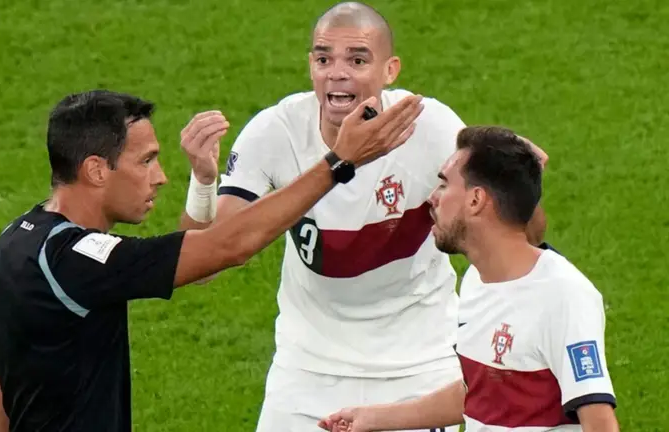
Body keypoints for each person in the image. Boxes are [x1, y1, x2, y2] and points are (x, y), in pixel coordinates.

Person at [184, 2, 548, 431]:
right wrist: (203, 183)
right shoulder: (276, 133)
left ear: (390, 70)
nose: (336, 73)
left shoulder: (429, 128)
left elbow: (522, 238)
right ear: (310, 65)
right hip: (307, 372)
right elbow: (206, 264)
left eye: (357, 60)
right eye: (324, 59)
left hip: (419, 369)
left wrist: (520, 181)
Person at [0, 88, 423, 432]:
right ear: (96, 169)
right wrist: (339, 162)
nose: (159, 177)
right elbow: (228, 246)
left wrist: (205, 182)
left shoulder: (15, 240)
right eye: (146, 161)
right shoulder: (78, 265)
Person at [318, 126, 619, 432]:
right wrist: (374, 419)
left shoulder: (563, 296)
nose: (432, 198)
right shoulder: (478, 279)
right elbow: (480, 394)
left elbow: (600, 423)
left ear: (476, 200)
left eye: (444, 185)